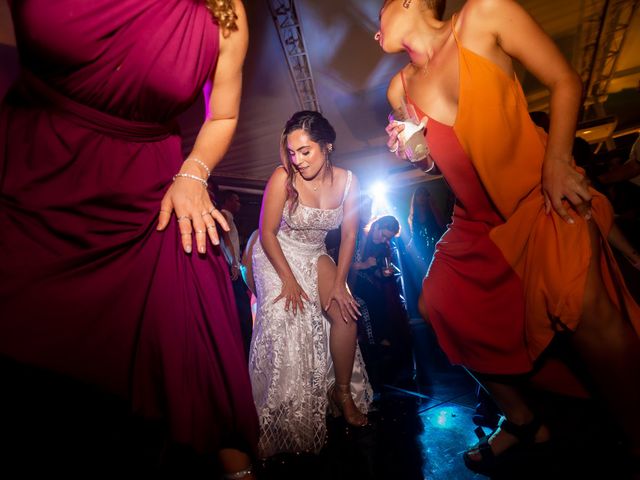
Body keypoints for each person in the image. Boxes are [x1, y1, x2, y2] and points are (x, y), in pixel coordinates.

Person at [376, 0, 640, 474]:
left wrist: (558, 160)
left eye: (380, 13)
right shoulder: (400, 88)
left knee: (588, 313)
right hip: (477, 222)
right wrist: (411, 155)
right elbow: (434, 158)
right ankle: (523, 419)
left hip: (537, 192)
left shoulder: (485, 14)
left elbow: (565, 80)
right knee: (437, 304)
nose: (376, 32)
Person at [0, 1, 257, 477]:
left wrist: (194, 174)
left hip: (147, 199)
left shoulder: (226, 14)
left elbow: (222, 115)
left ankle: (236, 465)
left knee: (198, 288)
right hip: (30, 173)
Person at [248, 110, 372, 458]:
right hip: (276, 252)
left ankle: (343, 393)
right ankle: (284, 411)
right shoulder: (281, 178)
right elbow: (268, 234)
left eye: (306, 151)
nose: (297, 160)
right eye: (292, 152)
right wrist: (288, 280)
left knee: (345, 312)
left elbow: (348, 236)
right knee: (289, 315)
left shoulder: (349, 181)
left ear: (327, 146)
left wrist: (340, 283)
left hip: (315, 251)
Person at [350, 215, 414, 389]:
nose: (383, 240)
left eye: (388, 238)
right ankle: (372, 348)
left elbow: (376, 273)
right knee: (368, 303)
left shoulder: (383, 248)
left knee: (380, 300)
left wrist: (384, 272)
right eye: (383, 235)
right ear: (376, 225)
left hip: (367, 285)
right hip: (348, 283)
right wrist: (363, 265)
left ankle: (377, 347)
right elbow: (339, 263)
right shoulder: (357, 237)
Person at [219, 189, 254, 359]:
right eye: (236, 200)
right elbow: (225, 241)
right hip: (231, 267)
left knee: (242, 307)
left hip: (233, 265)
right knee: (241, 309)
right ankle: (243, 348)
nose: (239, 204)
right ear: (227, 201)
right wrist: (233, 263)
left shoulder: (230, 218)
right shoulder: (224, 216)